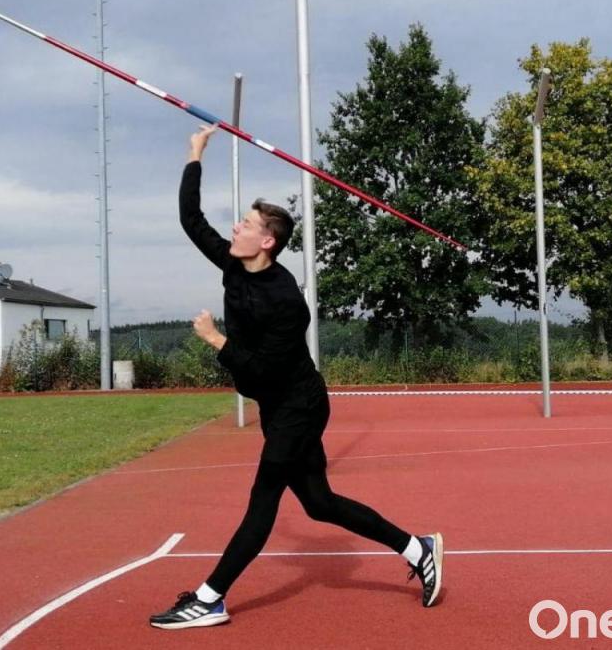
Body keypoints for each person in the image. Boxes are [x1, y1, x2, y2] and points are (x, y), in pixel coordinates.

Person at [149, 124, 442, 630]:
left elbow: (261, 367)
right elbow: (190, 219)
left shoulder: (286, 302)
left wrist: (216, 339)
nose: (234, 229)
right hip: (276, 404)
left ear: (266, 241)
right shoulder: (233, 264)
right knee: (319, 503)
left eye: (245, 224)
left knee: (263, 501)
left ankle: (210, 599)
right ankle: (418, 549)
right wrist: (195, 153)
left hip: (299, 406)